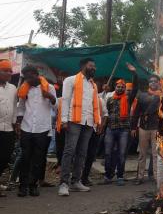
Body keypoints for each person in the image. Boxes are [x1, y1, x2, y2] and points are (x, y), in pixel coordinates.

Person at [58, 58, 102, 196]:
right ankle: (64, 184)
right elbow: (65, 100)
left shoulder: (93, 85)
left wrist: (97, 122)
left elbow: (94, 105)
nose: (94, 68)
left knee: (82, 153)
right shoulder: (70, 80)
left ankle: (76, 181)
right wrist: (64, 120)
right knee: (69, 151)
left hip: (88, 122)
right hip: (73, 120)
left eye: (94, 66)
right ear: (83, 66)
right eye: (91, 65)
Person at [16, 65, 56, 197]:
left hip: (42, 128)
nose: (28, 80)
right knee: (25, 158)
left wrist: (49, 96)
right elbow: (21, 107)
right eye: (26, 77)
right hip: (26, 128)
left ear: (36, 74)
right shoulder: (25, 88)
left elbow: (56, 107)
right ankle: (22, 186)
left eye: (29, 77)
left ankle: (33, 186)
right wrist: (18, 122)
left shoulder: (49, 87)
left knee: (38, 159)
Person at [103, 78, 136, 185]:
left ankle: (120, 176)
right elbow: (106, 113)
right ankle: (108, 176)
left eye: (122, 87)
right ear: (115, 87)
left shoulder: (128, 99)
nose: (120, 88)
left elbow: (135, 90)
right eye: (118, 86)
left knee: (121, 154)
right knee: (108, 153)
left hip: (124, 130)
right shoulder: (110, 99)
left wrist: (134, 74)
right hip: (110, 129)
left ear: (125, 88)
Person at [131, 74, 162, 183]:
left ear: (159, 83)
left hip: (157, 128)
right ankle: (139, 177)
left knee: (156, 153)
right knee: (142, 154)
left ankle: (156, 177)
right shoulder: (142, 96)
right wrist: (133, 127)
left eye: (155, 81)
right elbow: (136, 112)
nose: (153, 83)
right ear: (149, 84)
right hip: (143, 127)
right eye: (151, 81)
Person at [0, 60, 17, 197]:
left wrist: (15, 123)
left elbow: (14, 106)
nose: (9, 73)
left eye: (10, 70)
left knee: (5, 156)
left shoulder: (12, 88)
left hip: (8, 128)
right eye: (5, 70)